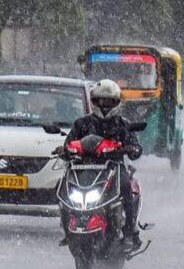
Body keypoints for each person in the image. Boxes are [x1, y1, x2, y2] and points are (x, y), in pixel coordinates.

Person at [60, 79, 143, 249]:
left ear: (116, 103)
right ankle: (67, 229)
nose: (105, 105)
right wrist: (65, 151)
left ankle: (129, 231)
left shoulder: (122, 124)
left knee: (127, 187)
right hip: (85, 169)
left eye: (109, 101)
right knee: (61, 188)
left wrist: (133, 149)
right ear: (94, 101)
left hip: (114, 168)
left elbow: (135, 146)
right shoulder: (81, 124)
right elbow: (68, 144)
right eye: (101, 100)